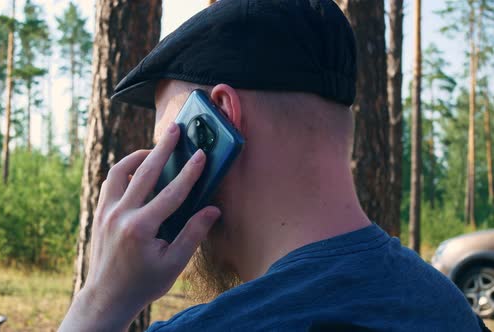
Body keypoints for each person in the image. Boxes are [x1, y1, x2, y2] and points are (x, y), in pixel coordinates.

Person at [60, 0, 488, 331]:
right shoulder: (446, 305)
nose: (158, 172)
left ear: (222, 115)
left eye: (165, 145)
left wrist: (97, 304)